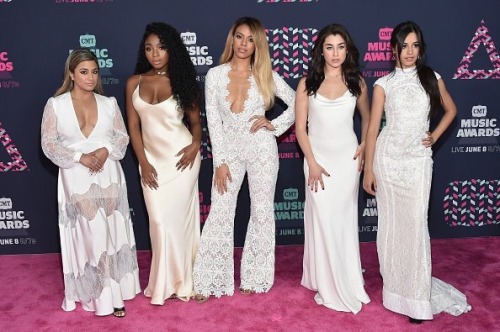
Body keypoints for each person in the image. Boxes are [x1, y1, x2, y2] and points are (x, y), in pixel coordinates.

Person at [362, 21, 471, 323]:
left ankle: (418, 297)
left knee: (415, 227)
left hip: (418, 162)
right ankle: (396, 291)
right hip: (388, 160)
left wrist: (434, 136)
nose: (410, 51)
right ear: (394, 48)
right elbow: (372, 129)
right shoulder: (383, 84)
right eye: (404, 45)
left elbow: (451, 110)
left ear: (420, 49)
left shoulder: (432, 78)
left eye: (415, 45)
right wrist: (368, 169)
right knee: (391, 229)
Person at [192, 16, 295, 302]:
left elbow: (299, 103)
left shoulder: (266, 75)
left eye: (251, 39)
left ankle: (257, 276)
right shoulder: (215, 75)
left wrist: (274, 125)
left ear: (258, 44)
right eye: (240, 37)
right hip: (229, 152)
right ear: (232, 38)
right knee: (221, 208)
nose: (244, 44)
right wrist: (220, 162)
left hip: (261, 149)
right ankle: (210, 279)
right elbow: (213, 121)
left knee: (261, 210)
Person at [41, 48, 141, 318]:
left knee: (111, 232)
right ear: (72, 74)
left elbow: (121, 137)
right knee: (93, 233)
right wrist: (78, 156)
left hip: (108, 174)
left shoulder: (109, 103)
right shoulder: (56, 105)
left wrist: (105, 150)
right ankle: (103, 298)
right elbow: (48, 144)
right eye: (83, 72)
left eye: (94, 72)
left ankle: (115, 294)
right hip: (76, 175)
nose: (90, 77)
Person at [295, 24, 371, 313]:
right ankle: (324, 280)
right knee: (322, 217)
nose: (336, 53)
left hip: (347, 162)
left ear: (347, 50)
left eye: (341, 47)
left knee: (341, 220)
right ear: (321, 50)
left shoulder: (357, 82)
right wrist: (312, 162)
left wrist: (365, 143)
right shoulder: (307, 83)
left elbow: (368, 118)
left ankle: (346, 276)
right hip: (317, 160)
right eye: (329, 47)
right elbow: (300, 129)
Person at [126, 22, 202, 305]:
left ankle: (183, 280)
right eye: (149, 48)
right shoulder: (134, 83)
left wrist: (196, 145)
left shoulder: (183, 81)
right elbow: (134, 129)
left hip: (183, 161)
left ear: (172, 49)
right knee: (158, 222)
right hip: (152, 163)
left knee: (177, 222)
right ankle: (163, 282)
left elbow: (195, 125)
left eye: (161, 47)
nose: (155, 54)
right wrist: (143, 163)